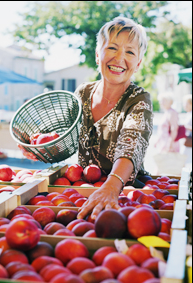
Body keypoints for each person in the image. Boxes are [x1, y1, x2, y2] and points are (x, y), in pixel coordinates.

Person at [18, 16, 153, 220]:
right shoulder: (82, 93)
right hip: (83, 190)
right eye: (112, 48)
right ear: (98, 55)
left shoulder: (139, 99)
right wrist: (42, 150)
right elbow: (67, 141)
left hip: (126, 195)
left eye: (130, 52)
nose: (119, 58)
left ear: (138, 63)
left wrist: (112, 186)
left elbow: (131, 146)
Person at [180, 94, 192, 169]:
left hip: (190, 141)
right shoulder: (188, 114)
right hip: (187, 140)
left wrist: (185, 127)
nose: (184, 105)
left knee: (183, 160)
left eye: (186, 103)